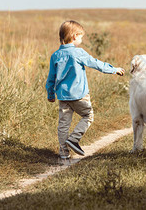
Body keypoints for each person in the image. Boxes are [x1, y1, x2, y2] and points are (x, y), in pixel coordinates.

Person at [46, 20, 125, 159]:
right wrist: (114, 70)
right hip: (79, 95)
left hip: (63, 96)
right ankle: (74, 139)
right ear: (75, 36)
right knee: (88, 116)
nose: (81, 40)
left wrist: (50, 93)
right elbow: (96, 64)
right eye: (81, 37)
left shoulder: (55, 55)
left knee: (63, 124)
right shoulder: (78, 53)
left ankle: (64, 153)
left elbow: (51, 78)